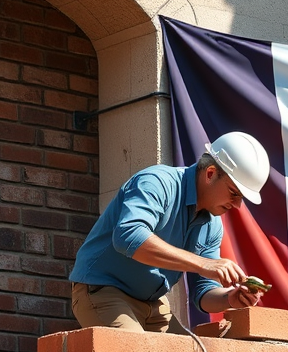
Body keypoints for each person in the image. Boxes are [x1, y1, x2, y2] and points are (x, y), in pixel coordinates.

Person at [69, 132, 270, 332]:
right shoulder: (157, 182)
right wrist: (202, 263)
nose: (237, 205)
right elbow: (128, 236)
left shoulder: (212, 225)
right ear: (210, 174)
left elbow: (203, 293)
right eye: (234, 193)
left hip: (153, 304)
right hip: (104, 291)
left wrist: (230, 298)